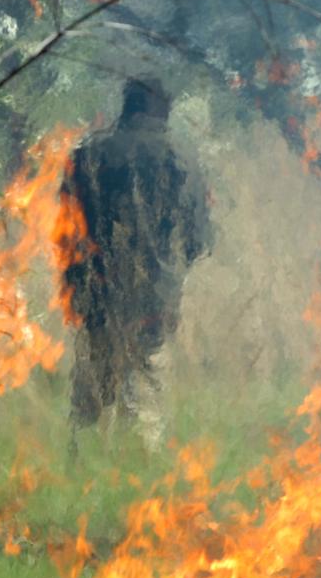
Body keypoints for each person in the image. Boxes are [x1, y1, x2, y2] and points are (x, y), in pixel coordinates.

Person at [62, 78, 211, 445]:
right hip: (154, 286)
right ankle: (137, 460)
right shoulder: (177, 157)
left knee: (95, 372)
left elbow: (67, 226)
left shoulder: (89, 152)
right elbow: (197, 236)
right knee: (144, 371)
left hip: (96, 281)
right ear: (157, 109)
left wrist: (73, 279)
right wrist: (178, 269)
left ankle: (84, 455)